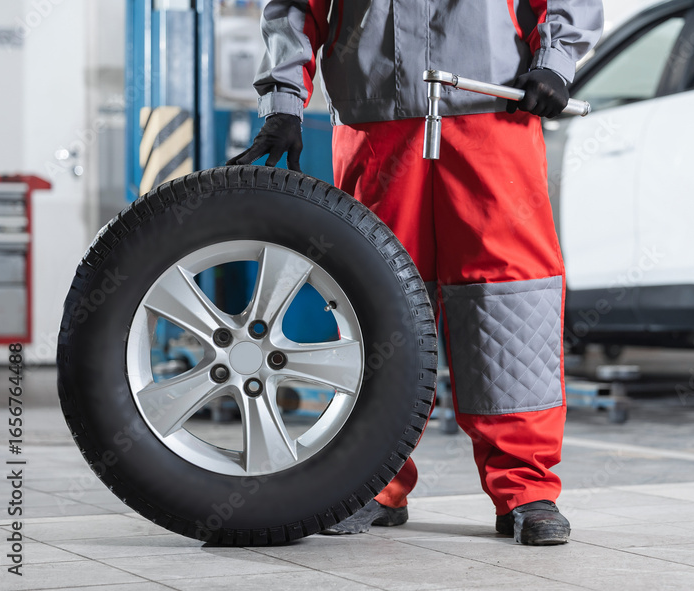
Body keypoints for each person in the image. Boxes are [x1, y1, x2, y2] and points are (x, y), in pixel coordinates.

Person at [229, 0, 603, 546]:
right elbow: (293, 7)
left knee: (511, 301)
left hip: (492, 111)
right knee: (375, 307)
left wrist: (555, 60)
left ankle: (527, 490)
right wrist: (284, 99)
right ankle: (373, 481)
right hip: (377, 125)